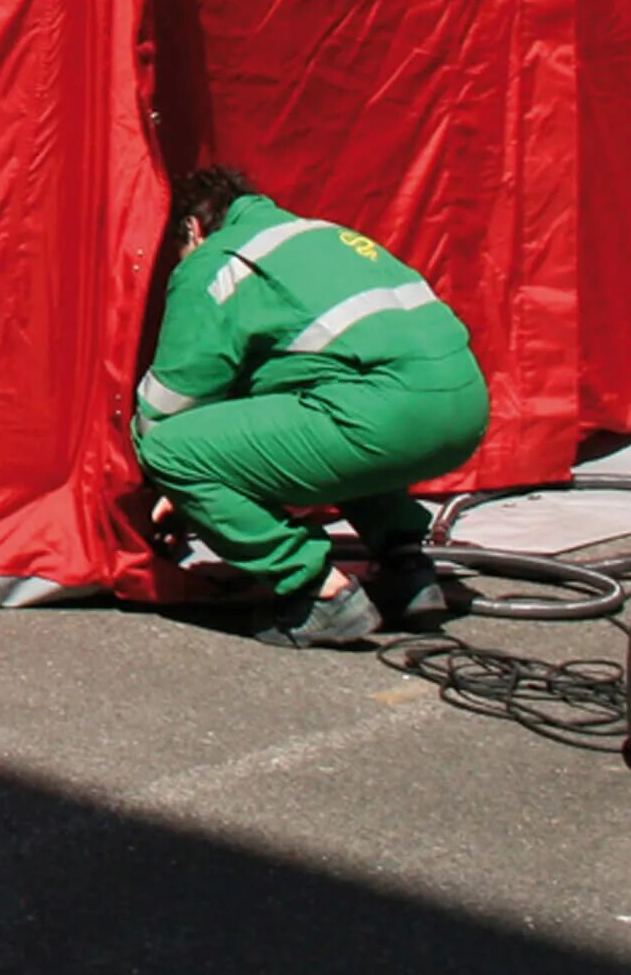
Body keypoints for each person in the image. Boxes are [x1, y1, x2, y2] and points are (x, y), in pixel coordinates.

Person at [133, 167, 491, 648]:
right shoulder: (324, 236)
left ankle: (320, 594)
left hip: (384, 418)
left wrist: (165, 493)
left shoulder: (217, 259)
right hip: (466, 411)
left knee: (170, 451)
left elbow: (167, 408)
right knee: (327, 405)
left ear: (193, 230)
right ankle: (407, 568)